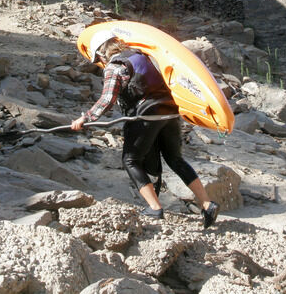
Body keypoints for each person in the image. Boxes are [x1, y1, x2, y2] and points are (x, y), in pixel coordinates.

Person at [71, 32, 219, 227]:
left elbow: (107, 100)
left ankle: (154, 208)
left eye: (98, 59)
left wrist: (85, 118)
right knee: (175, 159)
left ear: (102, 53)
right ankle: (207, 204)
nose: (100, 62)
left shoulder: (115, 67)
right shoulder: (144, 56)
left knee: (130, 160)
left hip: (145, 116)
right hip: (170, 113)